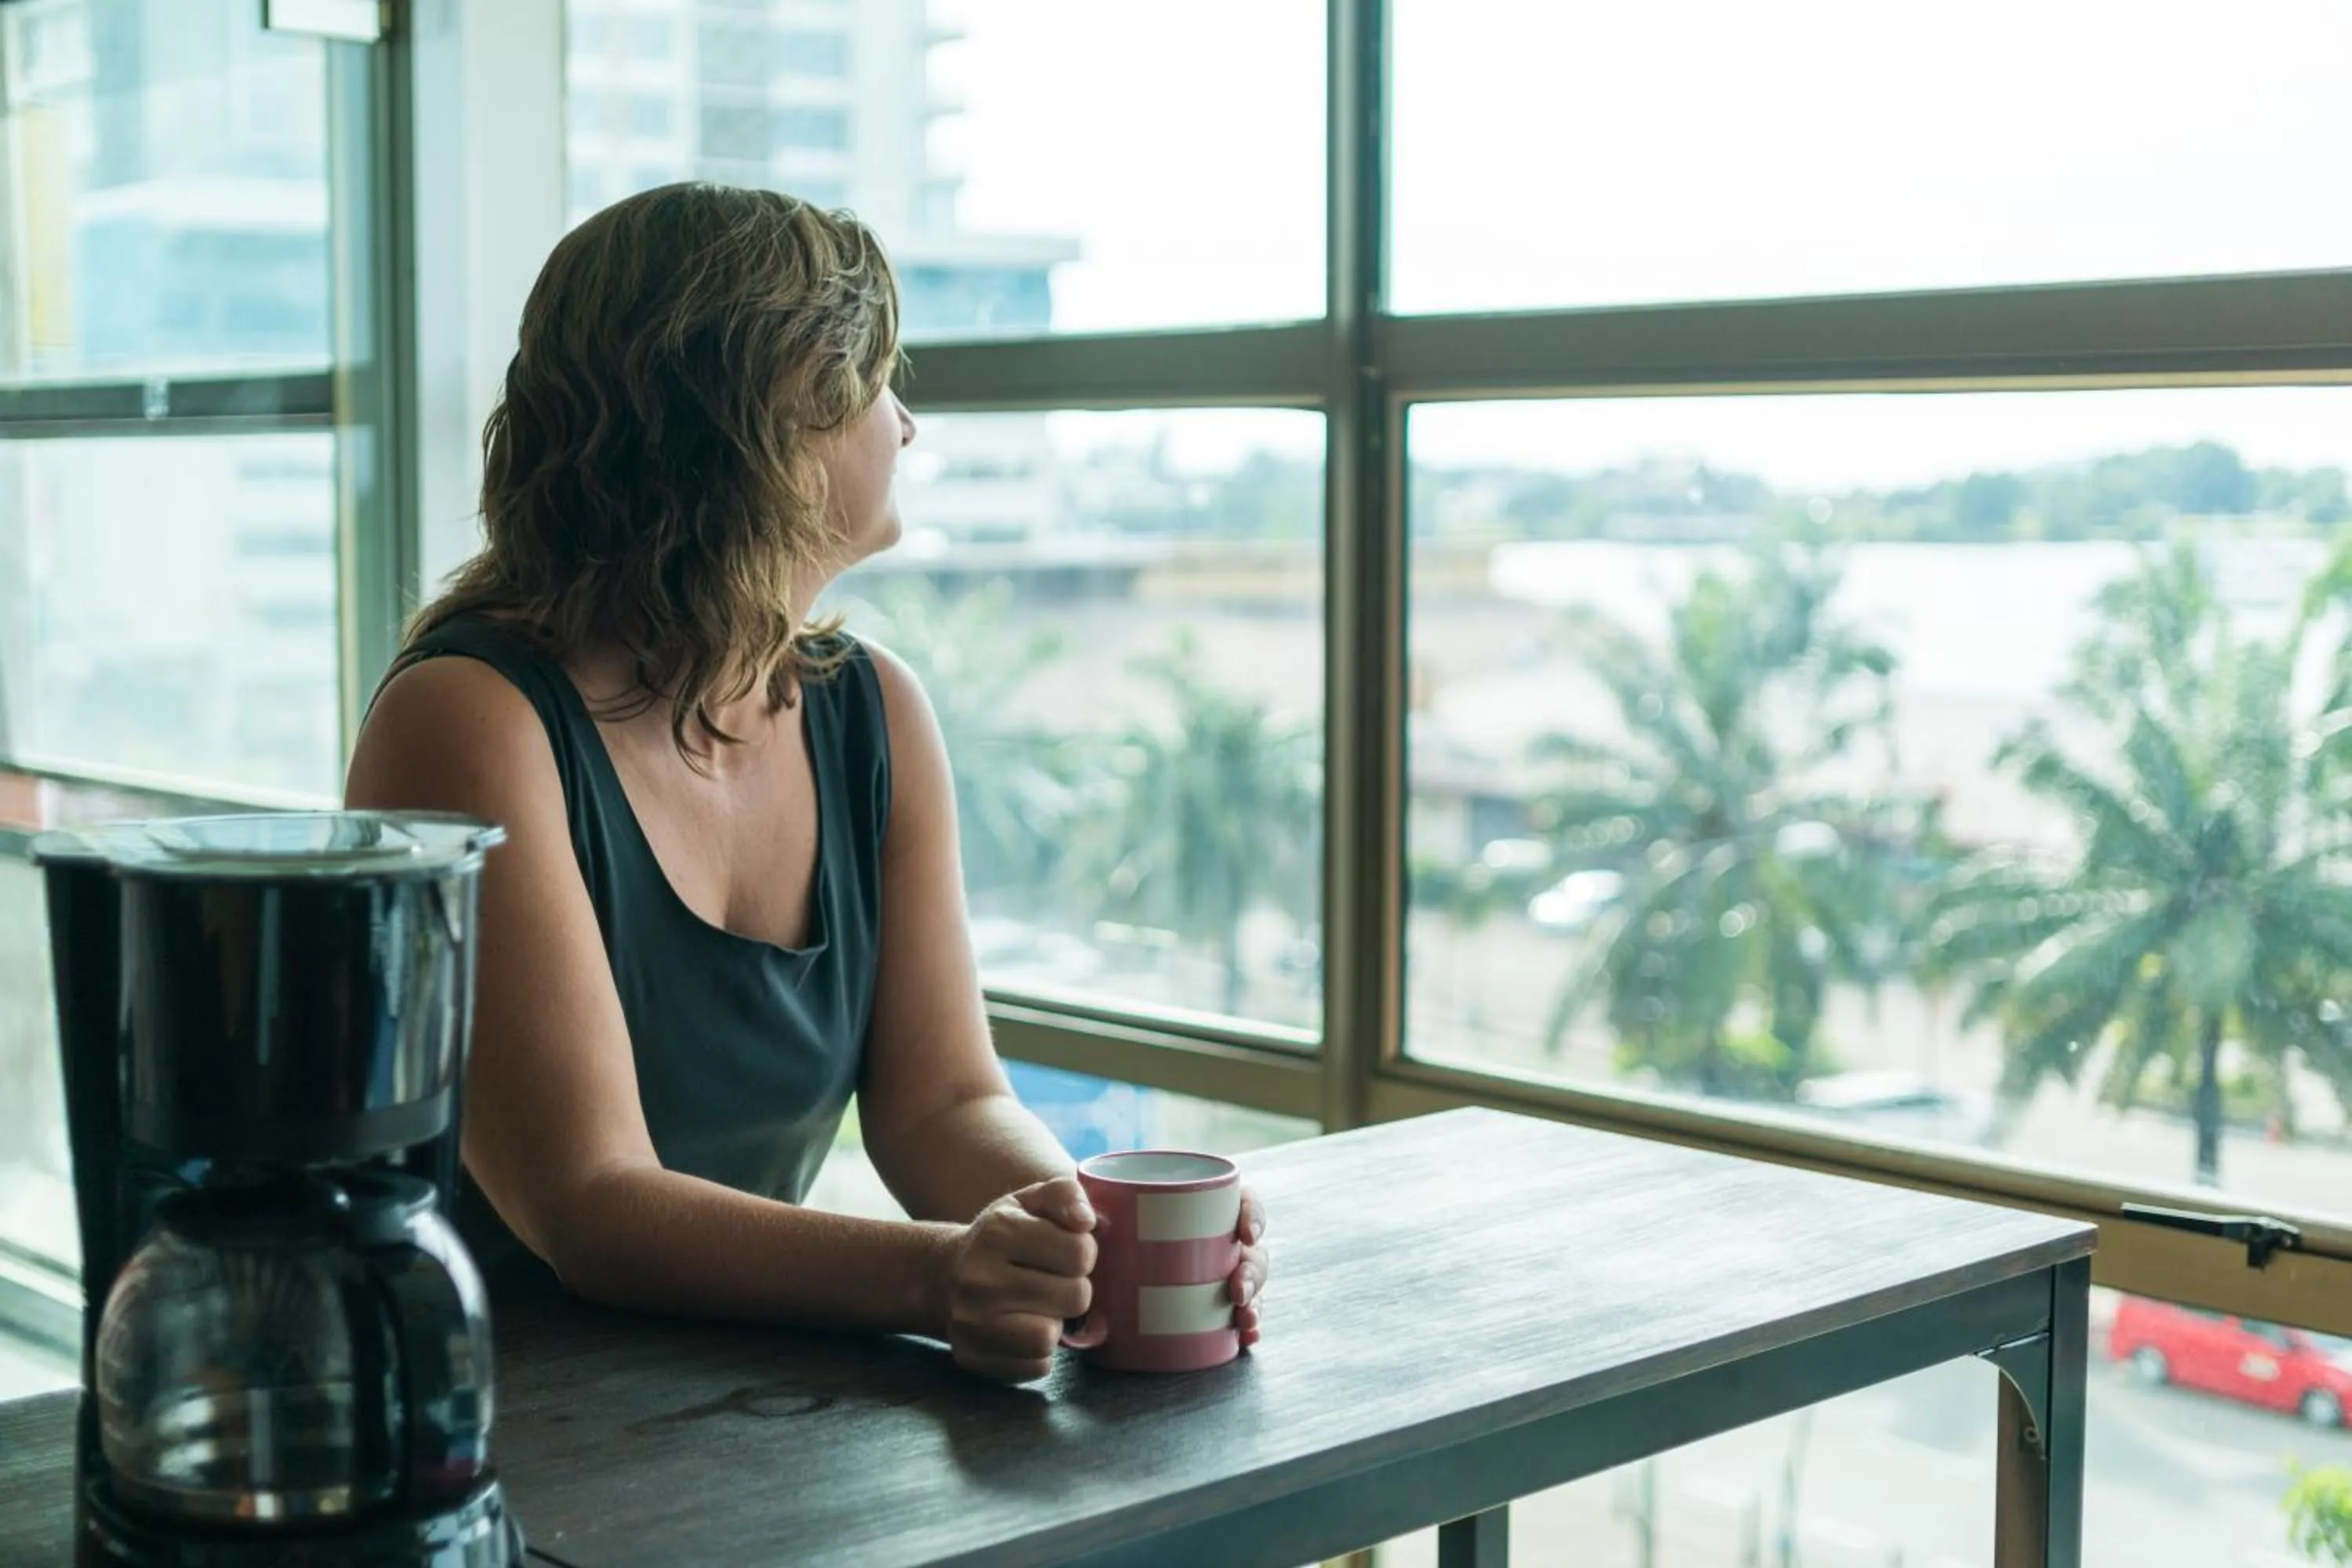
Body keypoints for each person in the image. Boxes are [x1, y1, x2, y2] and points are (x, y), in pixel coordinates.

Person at [345, 183, 1266, 1385]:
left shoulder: (873, 710)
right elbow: (590, 1200)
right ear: (774, 421)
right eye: (880, 383)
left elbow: (943, 1106)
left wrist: (1089, 1235)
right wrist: (939, 1277)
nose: (907, 427)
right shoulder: (469, 720)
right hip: (457, 1406)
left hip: (733, 1397)